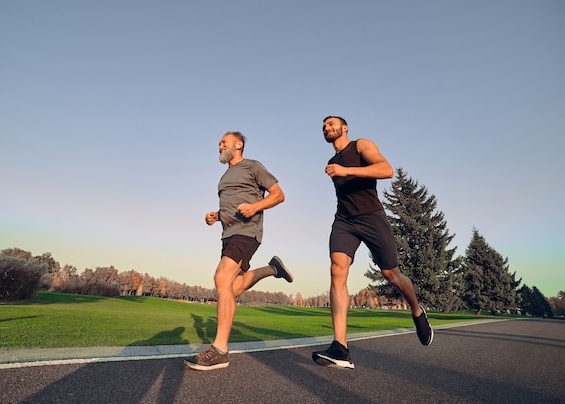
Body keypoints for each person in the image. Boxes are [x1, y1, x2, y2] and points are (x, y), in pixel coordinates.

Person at [312, 116, 433, 369]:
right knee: (337, 270)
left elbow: (385, 169)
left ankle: (417, 311)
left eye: (331, 124)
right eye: (324, 126)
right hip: (344, 220)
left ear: (344, 128)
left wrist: (347, 170)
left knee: (392, 275)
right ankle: (340, 348)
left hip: (372, 217)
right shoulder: (331, 161)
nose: (327, 128)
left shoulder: (360, 146)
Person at [184, 131, 293, 371]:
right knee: (231, 289)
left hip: (247, 232)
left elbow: (279, 195)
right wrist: (217, 215)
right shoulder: (224, 178)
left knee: (221, 277)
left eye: (224, 142)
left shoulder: (253, 166)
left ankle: (220, 350)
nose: (220, 145)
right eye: (219, 143)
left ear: (239, 144)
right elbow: (231, 205)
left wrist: (255, 206)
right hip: (228, 234)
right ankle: (272, 268)